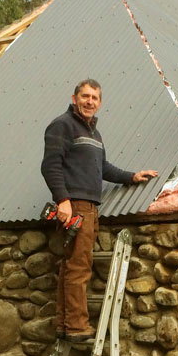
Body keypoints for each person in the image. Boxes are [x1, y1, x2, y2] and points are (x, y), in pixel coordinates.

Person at [41, 79, 157, 342]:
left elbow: (102, 168)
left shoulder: (94, 134)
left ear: (100, 102)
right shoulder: (63, 125)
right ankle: (77, 326)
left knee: (71, 265)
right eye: (85, 96)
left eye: (94, 97)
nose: (89, 101)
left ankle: (64, 323)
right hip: (76, 206)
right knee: (79, 267)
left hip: (90, 206)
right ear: (74, 98)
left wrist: (132, 176)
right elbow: (50, 165)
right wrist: (63, 200)